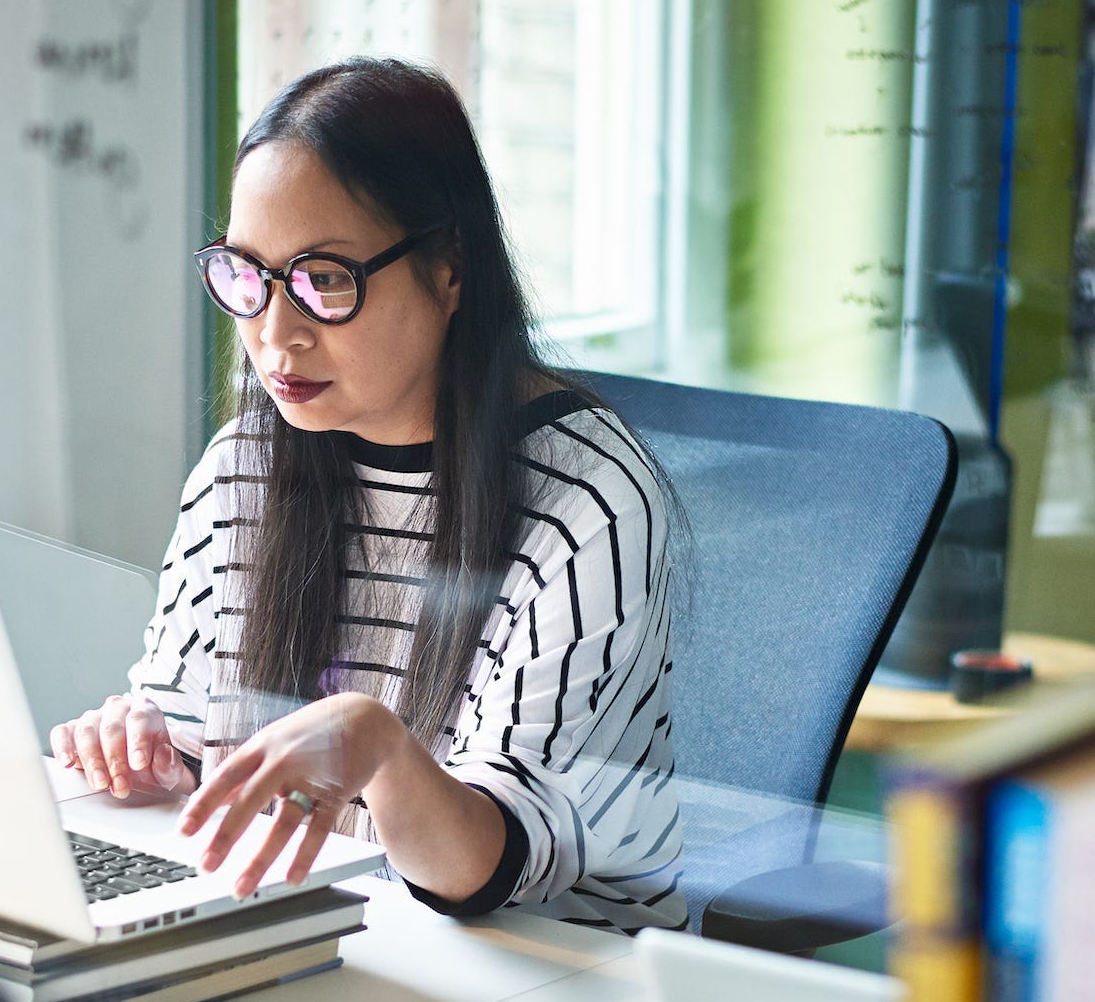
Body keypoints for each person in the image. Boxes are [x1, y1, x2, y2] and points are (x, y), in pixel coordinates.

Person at [48, 57, 686, 931]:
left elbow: (488, 868)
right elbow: (195, 729)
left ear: (450, 266)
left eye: (323, 280)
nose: (275, 336)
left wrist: (379, 748)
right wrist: (152, 752)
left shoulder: (587, 501)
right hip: (333, 938)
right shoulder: (247, 465)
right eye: (247, 274)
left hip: (558, 984)